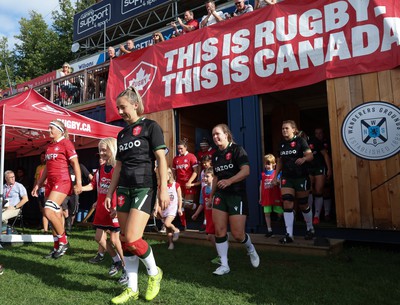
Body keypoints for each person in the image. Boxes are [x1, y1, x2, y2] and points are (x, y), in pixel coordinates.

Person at [105, 86, 168, 304]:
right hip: (124, 189)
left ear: (135, 104)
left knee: (132, 238)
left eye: (123, 107)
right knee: (124, 239)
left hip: (144, 187)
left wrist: (164, 189)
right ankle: (132, 288)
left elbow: (161, 159)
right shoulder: (121, 134)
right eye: (118, 108)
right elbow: (118, 167)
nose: (120, 111)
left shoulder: (151, 126)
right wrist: (109, 192)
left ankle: (154, 273)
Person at [210, 123, 259, 276]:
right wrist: (211, 195)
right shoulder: (215, 155)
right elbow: (216, 176)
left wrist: (230, 181)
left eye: (218, 133)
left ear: (226, 134)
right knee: (219, 231)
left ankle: (250, 248)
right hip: (220, 196)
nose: (215, 137)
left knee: (238, 235)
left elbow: (246, 171)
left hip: (236, 194)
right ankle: (224, 265)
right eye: (213, 135)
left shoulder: (237, 150)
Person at [31, 120, 82, 259]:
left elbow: (75, 163)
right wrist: (39, 184)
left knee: (48, 210)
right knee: (53, 215)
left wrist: (78, 183)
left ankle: (63, 242)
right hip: (50, 183)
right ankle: (56, 248)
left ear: (60, 130)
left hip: (62, 181)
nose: (49, 131)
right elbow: (47, 167)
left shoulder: (66, 143)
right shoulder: (49, 146)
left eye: (51, 128)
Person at [81, 137, 126, 283]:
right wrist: (80, 188)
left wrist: (118, 207)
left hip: (113, 208)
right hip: (101, 208)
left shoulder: (118, 169)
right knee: (99, 238)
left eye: (104, 150)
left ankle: (126, 268)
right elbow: (93, 185)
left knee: (114, 239)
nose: (101, 153)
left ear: (112, 150)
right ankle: (116, 261)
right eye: (99, 150)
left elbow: (122, 190)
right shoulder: (100, 169)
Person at [272, 120, 314, 244]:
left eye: (286, 128)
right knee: (287, 201)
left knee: (303, 204)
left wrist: (304, 158)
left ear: (293, 129)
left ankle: (310, 228)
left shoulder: (301, 141)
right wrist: (275, 176)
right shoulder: (281, 144)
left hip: (301, 176)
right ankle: (289, 234)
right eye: (282, 128)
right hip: (287, 177)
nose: (284, 130)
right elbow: (279, 161)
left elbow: (310, 156)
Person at [192, 167, 220, 264]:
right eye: (204, 176)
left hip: (216, 215)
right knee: (210, 237)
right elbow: (202, 203)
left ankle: (221, 255)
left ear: (213, 177)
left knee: (213, 236)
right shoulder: (203, 189)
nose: (204, 178)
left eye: (207, 176)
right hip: (208, 216)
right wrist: (196, 214)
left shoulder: (216, 190)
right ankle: (220, 255)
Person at [172, 139, 199, 229]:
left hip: (188, 184)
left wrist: (190, 181)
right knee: (180, 204)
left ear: (186, 148)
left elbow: (196, 171)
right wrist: (174, 183)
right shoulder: (175, 159)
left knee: (187, 204)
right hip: (180, 184)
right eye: (178, 149)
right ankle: (183, 224)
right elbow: (174, 173)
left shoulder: (191, 157)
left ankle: (196, 211)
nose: (180, 150)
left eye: (181, 148)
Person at [153, 168, 182, 250]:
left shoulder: (176, 185)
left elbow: (179, 197)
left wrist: (179, 208)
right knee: (168, 229)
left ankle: (176, 230)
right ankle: (170, 243)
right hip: (164, 208)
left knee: (167, 224)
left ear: (169, 175)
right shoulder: (161, 186)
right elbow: (158, 198)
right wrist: (156, 208)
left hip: (172, 208)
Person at [259, 154, 283, 237]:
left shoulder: (277, 173)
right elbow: (261, 186)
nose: (267, 166)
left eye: (269, 164)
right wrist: (260, 197)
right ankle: (269, 230)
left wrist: (277, 181)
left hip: (276, 196)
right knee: (267, 213)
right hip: (266, 197)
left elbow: (280, 183)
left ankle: (283, 223)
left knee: (280, 212)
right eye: (266, 164)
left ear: (274, 164)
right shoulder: (262, 174)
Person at [314, 127, 333, 221]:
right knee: (315, 191)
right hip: (314, 170)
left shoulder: (328, 142)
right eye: (316, 133)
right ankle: (316, 215)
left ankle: (327, 213)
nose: (318, 135)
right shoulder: (312, 143)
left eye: (320, 133)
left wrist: (330, 169)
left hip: (325, 169)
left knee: (326, 190)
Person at [33, 152, 49, 232]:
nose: (42, 158)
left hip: (46, 189)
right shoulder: (38, 167)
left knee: (47, 208)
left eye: (43, 157)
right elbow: (36, 179)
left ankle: (48, 226)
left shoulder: (49, 165)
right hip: (39, 189)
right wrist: (34, 189)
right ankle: (42, 224)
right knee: (41, 208)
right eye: (41, 157)